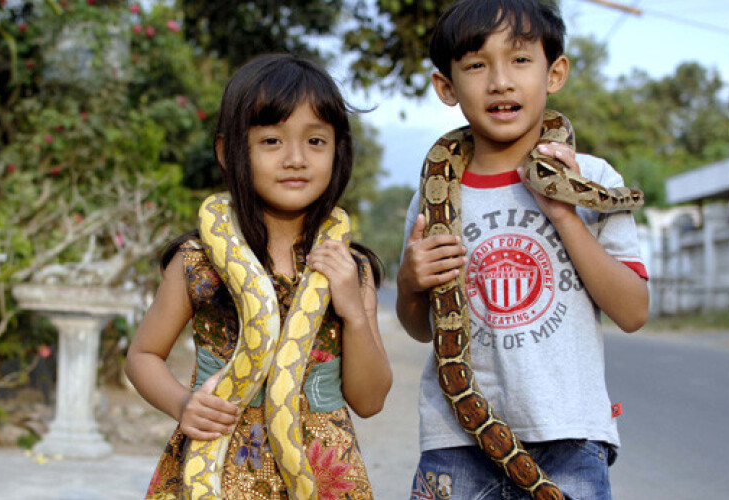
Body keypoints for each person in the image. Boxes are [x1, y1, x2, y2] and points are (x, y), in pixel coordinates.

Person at [395, 1, 650, 499]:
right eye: (475, 64)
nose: (500, 81)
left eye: (519, 60)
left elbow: (633, 311)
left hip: (569, 437)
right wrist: (409, 284)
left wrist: (563, 211)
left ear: (554, 73)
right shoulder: (433, 193)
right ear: (446, 87)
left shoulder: (594, 179)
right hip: (456, 443)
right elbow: (420, 327)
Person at [125, 53, 392, 499]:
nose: (295, 159)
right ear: (228, 152)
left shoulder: (349, 268)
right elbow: (142, 356)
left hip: (321, 465)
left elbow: (369, 400)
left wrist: (355, 315)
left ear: (338, 151)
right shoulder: (198, 262)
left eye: (316, 141)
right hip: (219, 456)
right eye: (271, 141)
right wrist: (182, 404)